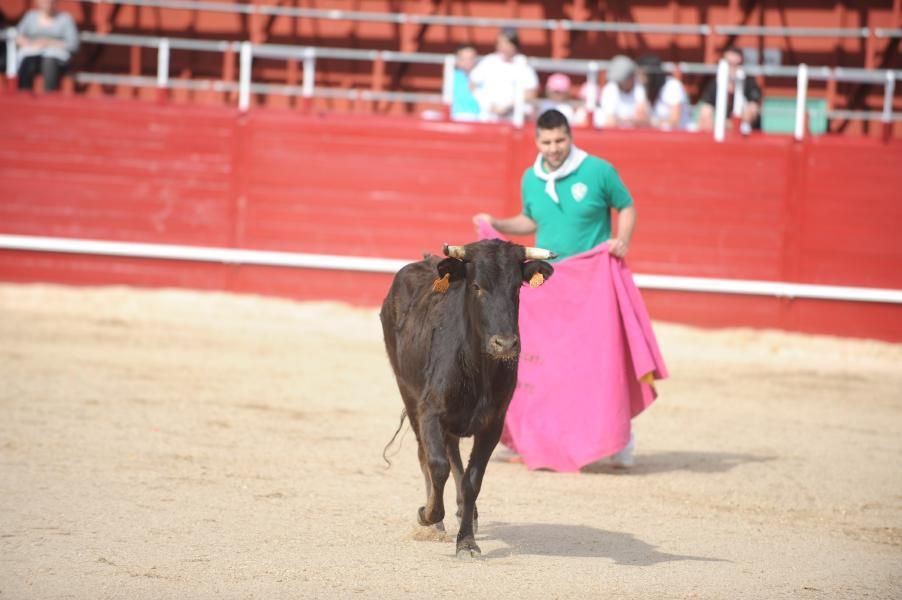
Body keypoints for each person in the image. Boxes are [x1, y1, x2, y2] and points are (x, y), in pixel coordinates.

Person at [473, 109, 660, 471]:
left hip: (592, 285)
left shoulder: (599, 170)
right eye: (546, 141)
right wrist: (497, 223)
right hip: (549, 284)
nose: (554, 148)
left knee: (599, 362)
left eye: (560, 140)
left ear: (570, 136)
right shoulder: (531, 177)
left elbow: (626, 206)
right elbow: (531, 220)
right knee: (544, 364)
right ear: (537, 141)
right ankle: (534, 437)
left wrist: (623, 239)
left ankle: (620, 438)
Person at [469, 27, 539, 122]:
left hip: (514, 118)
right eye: (500, 43)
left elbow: (531, 93)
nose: (503, 47)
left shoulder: (523, 64)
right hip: (489, 117)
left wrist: (510, 105)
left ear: (515, 45)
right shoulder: (489, 61)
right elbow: (472, 84)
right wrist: (487, 104)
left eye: (507, 44)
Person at [16, 0, 79, 92]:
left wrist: (49, 43)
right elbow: (17, 37)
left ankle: (49, 97)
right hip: (33, 55)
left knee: (49, 63)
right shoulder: (30, 16)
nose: (47, 3)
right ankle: (23, 96)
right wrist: (32, 44)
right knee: (28, 62)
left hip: (56, 58)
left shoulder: (65, 18)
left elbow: (73, 44)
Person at [697, 47, 762, 134]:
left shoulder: (749, 83)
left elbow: (753, 109)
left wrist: (729, 125)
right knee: (705, 113)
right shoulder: (715, 84)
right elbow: (706, 109)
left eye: (737, 64)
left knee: (751, 109)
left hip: (746, 133)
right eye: (730, 64)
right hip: (721, 130)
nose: (733, 68)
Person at [637, 54, 691, 131]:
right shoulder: (644, 88)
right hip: (656, 136)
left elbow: (675, 121)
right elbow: (640, 117)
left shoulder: (673, 86)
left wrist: (652, 122)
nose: (639, 77)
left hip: (678, 135)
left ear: (650, 74)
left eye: (641, 74)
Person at [594, 54, 649, 128]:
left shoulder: (639, 88)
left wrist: (622, 121)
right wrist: (628, 121)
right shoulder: (610, 89)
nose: (620, 83)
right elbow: (610, 122)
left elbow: (642, 119)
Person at [450, 44, 481, 122]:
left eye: (471, 58)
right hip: (456, 118)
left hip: (479, 119)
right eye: (464, 59)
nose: (468, 62)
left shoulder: (482, 78)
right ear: (457, 61)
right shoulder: (451, 78)